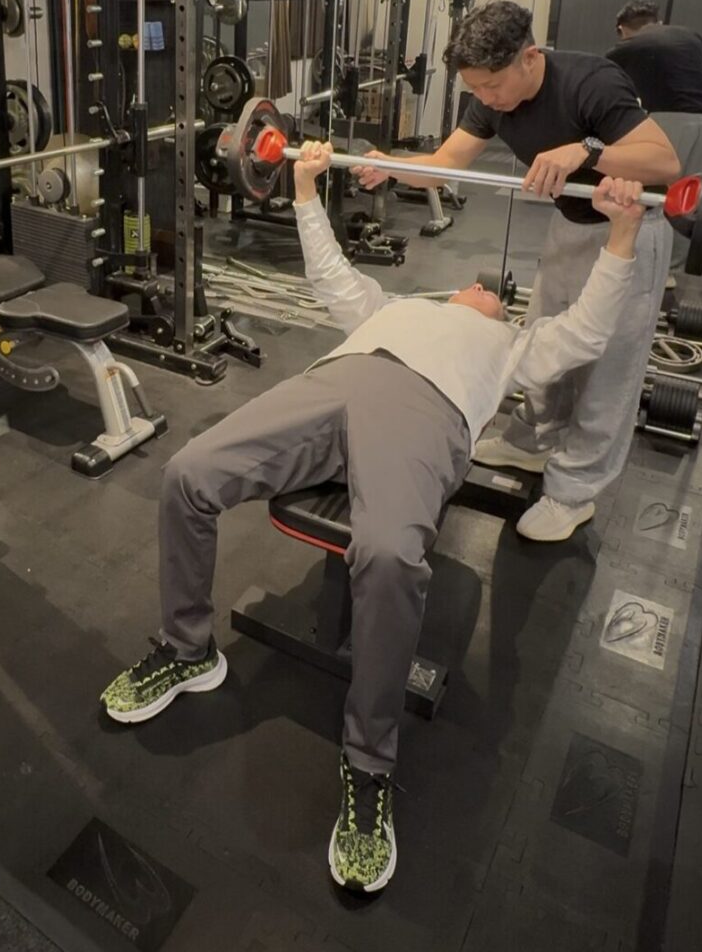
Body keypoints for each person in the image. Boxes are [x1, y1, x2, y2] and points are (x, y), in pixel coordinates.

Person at [101, 140, 649, 894]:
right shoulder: (394, 308)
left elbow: (587, 331)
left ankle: (367, 762)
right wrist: (303, 187)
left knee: (388, 555)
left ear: (503, 311)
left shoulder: (513, 345)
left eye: (494, 291)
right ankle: (187, 648)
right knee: (188, 473)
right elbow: (330, 274)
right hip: (333, 383)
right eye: (474, 284)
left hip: (426, 413)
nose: (482, 286)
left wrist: (622, 234)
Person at [354, 0, 681, 542]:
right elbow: (445, 166)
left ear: (530, 57)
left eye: (492, 86)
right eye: (475, 89)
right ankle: (531, 442)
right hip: (570, 224)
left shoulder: (591, 82)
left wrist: (586, 151)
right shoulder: (490, 99)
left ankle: (574, 492)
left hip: (629, 227)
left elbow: (664, 162)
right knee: (543, 340)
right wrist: (387, 166)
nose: (485, 99)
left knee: (608, 370)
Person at [606, 0, 702, 270]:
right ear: (658, 21)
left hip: (669, 122)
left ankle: (656, 266)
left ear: (621, 29)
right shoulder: (688, 35)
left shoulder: (625, 49)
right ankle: (677, 266)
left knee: (661, 195)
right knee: (692, 196)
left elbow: (606, 90)